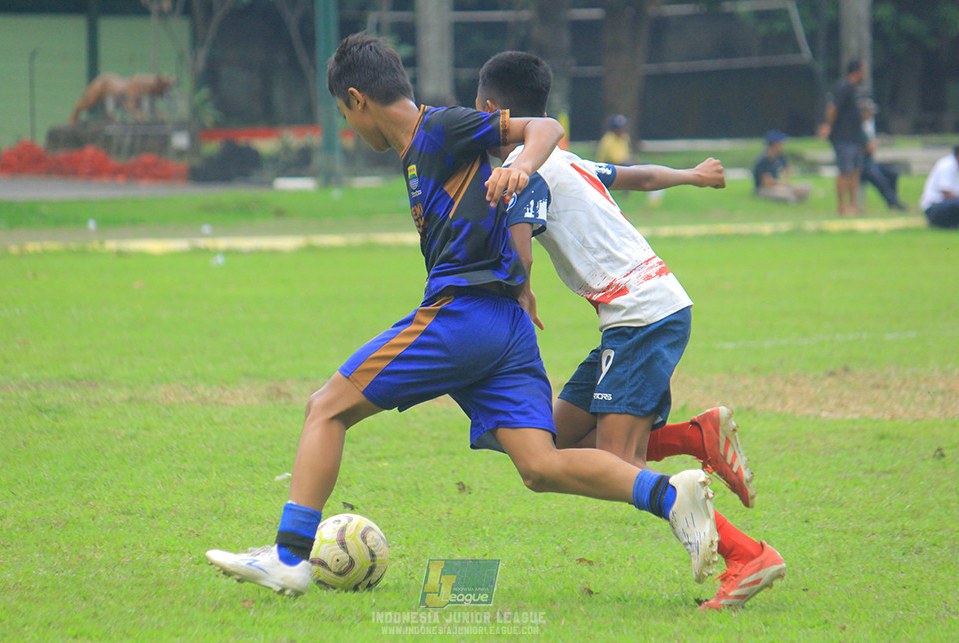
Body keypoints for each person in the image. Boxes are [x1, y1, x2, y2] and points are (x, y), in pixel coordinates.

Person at [206, 34, 720, 598]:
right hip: (506, 327)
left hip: (464, 317)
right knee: (540, 466)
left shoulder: (437, 127)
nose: (349, 128)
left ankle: (289, 556)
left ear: (357, 99)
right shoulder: (418, 151)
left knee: (326, 409)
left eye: (342, 114)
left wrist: (521, 166)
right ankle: (672, 497)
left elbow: (545, 130)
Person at [475, 50, 786, 611]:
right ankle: (697, 437)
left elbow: (518, 259)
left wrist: (516, 292)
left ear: (492, 110)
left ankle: (748, 556)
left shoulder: (523, 170)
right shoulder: (562, 160)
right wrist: (693, 175)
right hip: (638, 313)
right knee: (555, 441)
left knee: (621, 467)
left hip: (641, 314)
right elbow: (636, 175)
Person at [821, 59, 867, 215]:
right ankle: (842, 207)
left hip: (854, 137)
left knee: (855, 171)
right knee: (845, 171)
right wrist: (828, 126)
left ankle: (854, 205)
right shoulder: (843, 86)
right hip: (843, 136)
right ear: (858, 71)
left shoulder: (854, 89)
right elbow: (833, 108)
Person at [859, 98, 906, 211]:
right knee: (880, 180)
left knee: (892, 173)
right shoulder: (855, 127)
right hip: (861, 165)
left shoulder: (867, 125)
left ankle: (892, 202)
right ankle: (894, 202)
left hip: (870, 161)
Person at [752, 130, 812, 204]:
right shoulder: (763, 160)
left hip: (778, 185)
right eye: (781, 142)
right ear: (774, 144)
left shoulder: (779, 156)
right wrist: (789, 186)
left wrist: (787, 180)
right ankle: (793, 198)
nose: (783, 145)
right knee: (786, 195)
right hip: (764, 188)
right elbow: (768, 182)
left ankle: (795, 196)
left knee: (806, 186)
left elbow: (787, 167)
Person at [919, 143, 959, 229]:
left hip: (950, 205)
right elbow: (947, 193)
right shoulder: (947, 166)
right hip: (935, 207)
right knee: (955, 204)